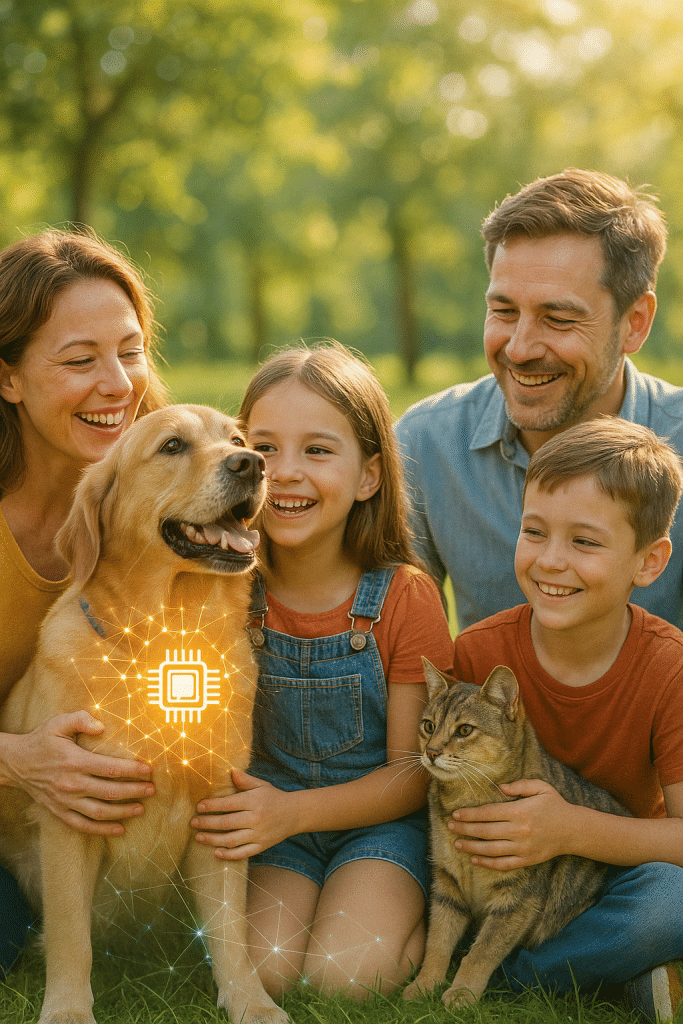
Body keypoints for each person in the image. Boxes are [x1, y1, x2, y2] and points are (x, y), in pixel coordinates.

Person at [190, 342, 453, 999]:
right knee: (267, 971)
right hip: (270, 827)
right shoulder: (224, 591)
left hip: (378, 825)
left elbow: (409, 775)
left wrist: (293, 811)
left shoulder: (404, 596)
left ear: (368, 476)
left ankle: (420, 924)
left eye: (317, 450)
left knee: (343, 976)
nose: (284, 473)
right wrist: (271, 818)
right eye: (263, 448)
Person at [450, 417, 683, 1023]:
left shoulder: (671, 670)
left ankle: (515, 974)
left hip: (611, 876)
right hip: (495, 879)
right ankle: (616, 970)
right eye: (534, 532)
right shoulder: (478, 655)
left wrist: (569, 830)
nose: (551, 561)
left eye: (585, 542)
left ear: (648, 561)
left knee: (673, 902)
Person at [396, 168, 683, 631]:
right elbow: (402, 648)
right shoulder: (424, 445)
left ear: (635, 323)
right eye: (504, 311)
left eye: (559, 318)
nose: (519, 349)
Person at [0, 227, 168, 974]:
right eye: (79, 361)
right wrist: (19, 760)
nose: (119, 384)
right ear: (8, 378)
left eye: (131, 351)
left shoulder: (159, 503)